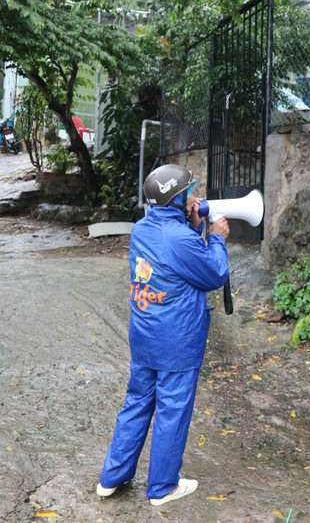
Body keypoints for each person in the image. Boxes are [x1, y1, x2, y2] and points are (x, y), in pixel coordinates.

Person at [97, 164, 230, 506]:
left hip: (144, 336)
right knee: (172, 409)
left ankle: (112, 477)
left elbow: (174, 259)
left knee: (137, 404)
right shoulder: (182, 238)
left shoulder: (142, 230)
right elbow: (213, 273)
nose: (192, 197)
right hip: (177, 342)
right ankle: (162, 488)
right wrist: (215, 236)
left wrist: (193, 224)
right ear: (176, 199)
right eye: (187, 193)